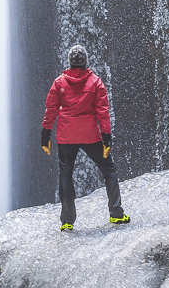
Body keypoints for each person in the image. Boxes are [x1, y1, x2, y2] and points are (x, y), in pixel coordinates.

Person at [42, 44, 129, 230]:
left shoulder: (59, 83)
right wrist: (106, 138)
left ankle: (67, 221)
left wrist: (45, 135)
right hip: (90, 135)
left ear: (70, 62)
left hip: (66, 136)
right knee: (109, 171)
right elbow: (102, 112)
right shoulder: (95, 82)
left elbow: (50, 110)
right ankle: (116, 213)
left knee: (66, 174)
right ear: (86, 62)